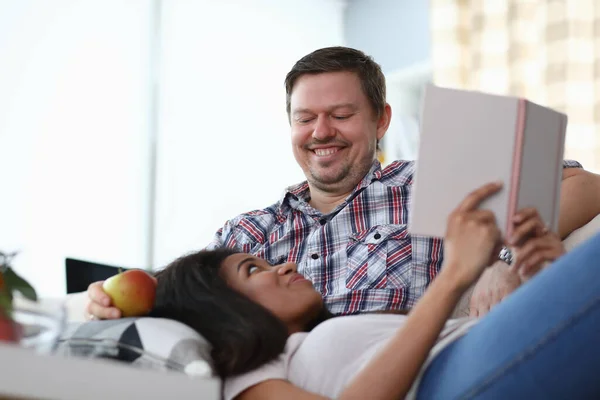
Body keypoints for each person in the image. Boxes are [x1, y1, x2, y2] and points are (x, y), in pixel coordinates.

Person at [85, 46, 600, 320]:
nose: (321, 132)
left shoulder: (430, 178)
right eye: (304, 117)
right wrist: (111, 298)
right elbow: (176, 296)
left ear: (381, 121)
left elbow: (583, 187)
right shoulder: (247, 234)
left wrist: (504, 262)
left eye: (341, 114)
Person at [150, 183, 600, 399]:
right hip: (465, 379)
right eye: (254, 269)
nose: (285, 264)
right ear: (221, 308)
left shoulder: (315, 338)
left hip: (491, 349)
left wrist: (544, 275)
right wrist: (456, 275)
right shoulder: (248, 375)